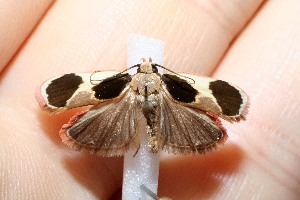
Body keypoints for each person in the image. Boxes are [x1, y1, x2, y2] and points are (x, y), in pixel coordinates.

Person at [0, 1, 299, 199]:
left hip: (134, 108)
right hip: (167, 110)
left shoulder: (128, 79)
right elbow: (53, 94)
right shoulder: (171, 81)